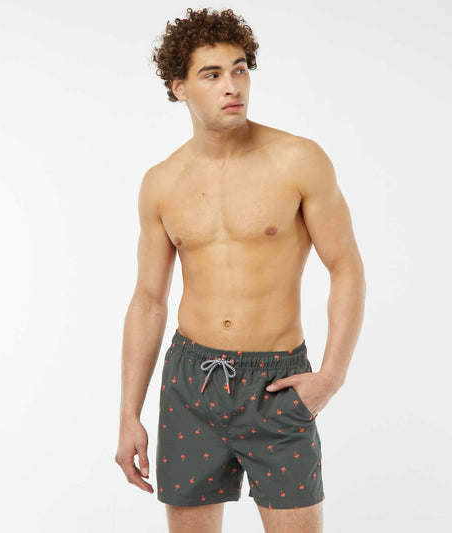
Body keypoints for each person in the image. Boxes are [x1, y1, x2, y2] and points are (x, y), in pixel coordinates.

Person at [115, 7, 366, 533]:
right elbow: (148, 300)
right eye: (212, 74)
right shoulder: (161, 183)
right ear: (179, 87)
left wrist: (331, 377)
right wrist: (128, 414)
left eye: (240, 69)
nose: (232, 86)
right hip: (189, 384)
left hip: (277, 385)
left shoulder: (298, 160)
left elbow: (346, 267)